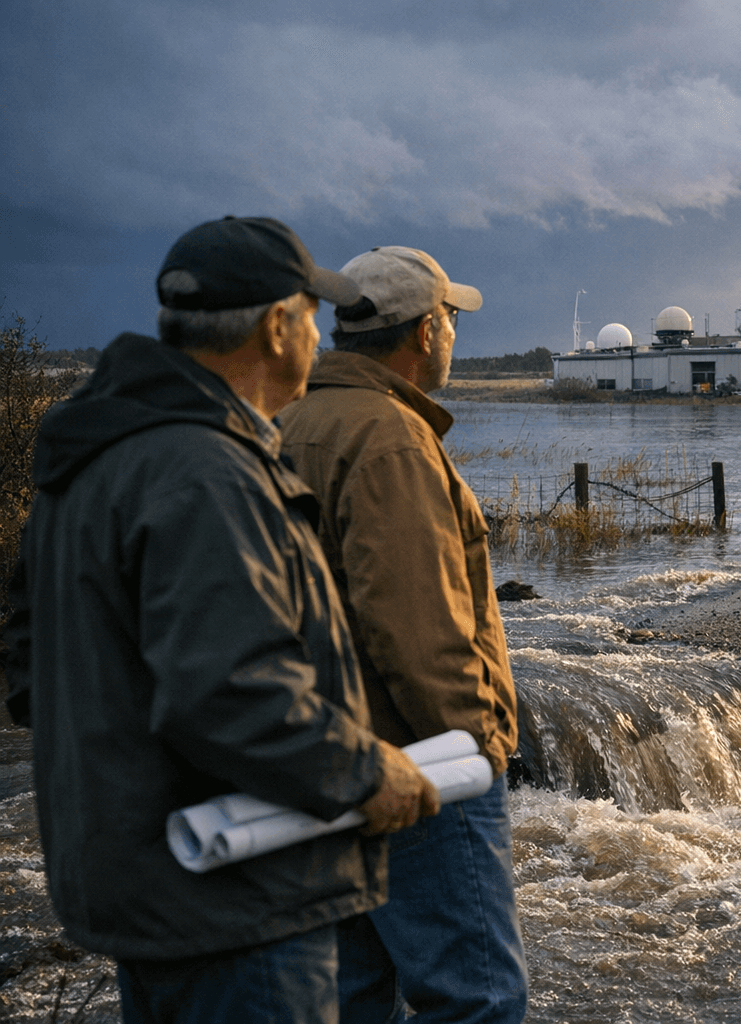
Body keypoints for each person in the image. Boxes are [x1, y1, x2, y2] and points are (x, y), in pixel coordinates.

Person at [3, 216, 440, 1023]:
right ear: (276, 328)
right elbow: (235, 692)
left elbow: (30, 668)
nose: (321, 337)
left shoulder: (97, 453)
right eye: (312, 316)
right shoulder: (207, 473)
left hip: (144, 881)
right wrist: (366, 774)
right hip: (239, 899)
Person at [279, 246, 526, 1023]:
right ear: (425, 331)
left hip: (326, 760)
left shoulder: (290, 421)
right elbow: (418, 629)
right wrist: (479, 747)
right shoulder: (390, 439)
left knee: (351, 998)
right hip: (420, 766)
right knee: (479, 999)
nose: (453, 333)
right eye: (451, 318)